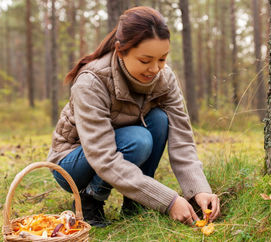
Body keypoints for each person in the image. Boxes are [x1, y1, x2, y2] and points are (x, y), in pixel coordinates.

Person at [47, 6, 220, 227]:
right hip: (72, 163)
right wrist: (168, 201)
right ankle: (90, 200)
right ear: (120, 50)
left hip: (121, 145)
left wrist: (199, 190)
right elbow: (104, 157)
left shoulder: (164, 78)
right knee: (139, 139)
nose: (155, 68)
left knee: (159, 120)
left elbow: (182, 139)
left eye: (162, 59)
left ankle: (135, 204)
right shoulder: (92, 81)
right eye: (145, 60)